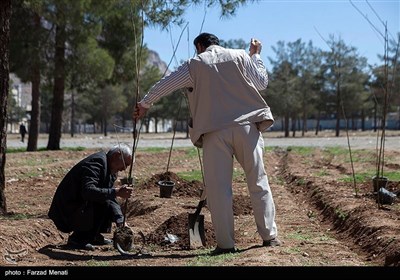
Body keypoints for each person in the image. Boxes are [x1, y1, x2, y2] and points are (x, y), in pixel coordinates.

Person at [134, 32, 280, 254]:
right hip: (246, 128)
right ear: (217, 44)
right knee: (258, 182)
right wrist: (255, 55)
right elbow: (262, 83)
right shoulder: (241, 56)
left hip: (214, 133)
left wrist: (145, 103)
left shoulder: (194, 64)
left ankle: (225, 245)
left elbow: (166, 84)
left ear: (200, 46)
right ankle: (269, 237)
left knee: (219, 190)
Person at [48, 143, 134, 251]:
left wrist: (120, 220)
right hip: (67, 209)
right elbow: (88, 192)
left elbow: (110, 197)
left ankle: (93, 236)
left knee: (106, 197)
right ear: (117, 155)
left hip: (78, 206)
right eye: (125, 164)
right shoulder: (97, 163)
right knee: (103, 199)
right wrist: (116, 192)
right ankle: (78, 239)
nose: (124, 169)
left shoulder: (110, 169)